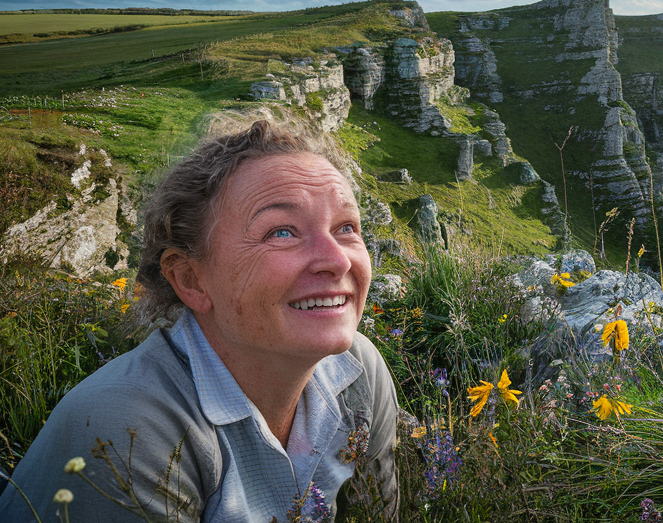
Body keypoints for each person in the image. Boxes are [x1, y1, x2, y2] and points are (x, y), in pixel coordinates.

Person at [0, 111, 399, 522]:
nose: (336, 260)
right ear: (191, 279)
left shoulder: (359, 372)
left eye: (347, 227)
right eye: (282, 231)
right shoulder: (128, 430)